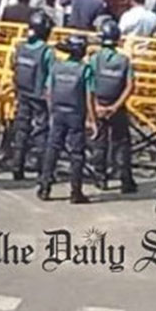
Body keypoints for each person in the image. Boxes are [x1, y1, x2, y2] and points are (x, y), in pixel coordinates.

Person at [39, 31, 95, 203]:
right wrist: (92, 120)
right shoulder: (85, 69)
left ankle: (44, 187)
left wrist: (51, 111)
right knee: (76, 153)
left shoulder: (56, 67)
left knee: (52, 148)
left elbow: (49, 91)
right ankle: (75, 192)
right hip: (76, 114)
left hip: (58, 112)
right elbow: (89, 96)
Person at [88, 17, 138, 193]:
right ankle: (125, 180)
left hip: (98, 104)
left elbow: (89, 85)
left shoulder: (94, 59)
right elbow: (130, 86)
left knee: (99, 141)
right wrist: (116, 106)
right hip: (116, 106)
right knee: (122, 143)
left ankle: (100, 178)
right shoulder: (124, 60)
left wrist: (95, 106)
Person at [7, 15, 54, 180]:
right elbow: (51, 77)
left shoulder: (20, 47)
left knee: (22, 129)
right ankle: (43, 170)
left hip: (22, 93)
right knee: (41, 131)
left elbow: (14, 67)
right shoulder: (47, 51)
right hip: (39, 96)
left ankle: (17, 166)